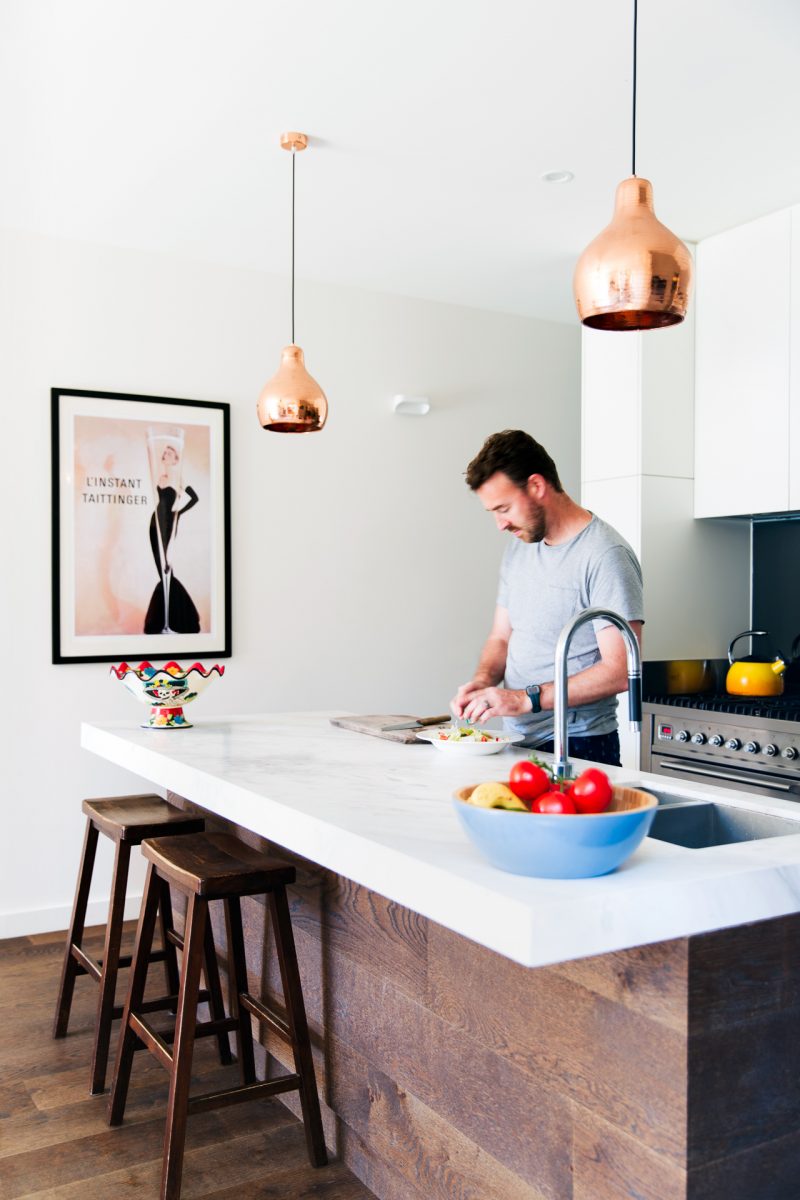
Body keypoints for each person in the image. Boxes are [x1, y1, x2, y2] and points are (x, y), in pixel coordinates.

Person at [450, 429, 643, 767]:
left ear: (537, 487)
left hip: (580, 745)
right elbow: (500, 637)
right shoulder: (519, 549)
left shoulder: (605, 554)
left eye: (504, 508)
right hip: (519, 742)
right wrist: (481, 684)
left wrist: (526, 699)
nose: (500, 524)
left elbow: (621, 668)